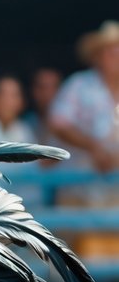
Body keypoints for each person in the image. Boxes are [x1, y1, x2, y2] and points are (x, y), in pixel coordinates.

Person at [48, 21, 119, 257]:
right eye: (110, 50)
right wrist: (93, 147)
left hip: (115, 196)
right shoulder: (79, 85)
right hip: (80, 190)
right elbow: (58, 122)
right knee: (79, 262)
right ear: (97, 56)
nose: (116, 55)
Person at [0, 75, 33, 143]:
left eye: (13, 95)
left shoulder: (25, 133)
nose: (7, 101)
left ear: (22, 102)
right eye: (3, 94)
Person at [23, 67, 62, 145]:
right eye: (41, 87)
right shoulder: (25, 124)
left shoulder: (75, 124)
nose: (46, 94)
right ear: (33, 90)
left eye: (52, 88)